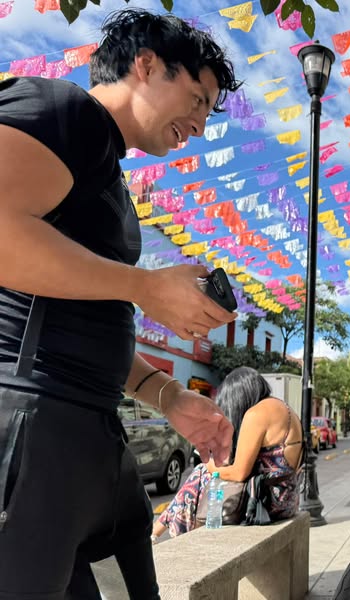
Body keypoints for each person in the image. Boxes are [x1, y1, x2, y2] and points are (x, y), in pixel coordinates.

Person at [0, 9, 241, 599]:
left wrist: (171, 397)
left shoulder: (106, 169)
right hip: (32, 425)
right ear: (146, 63)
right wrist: (145, 286)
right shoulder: (61, 110)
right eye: (198, 97)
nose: (202, 123)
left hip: (95, 440)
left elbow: (80, 312)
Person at [153, 367, 303, 539]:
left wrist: (209, 466)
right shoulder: (280, 406)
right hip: (289, 500)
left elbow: (239, 473)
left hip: (268, 504)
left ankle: (169, 535)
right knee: (204, 474)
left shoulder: (257, 413)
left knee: (202, 472)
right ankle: (158, 530)